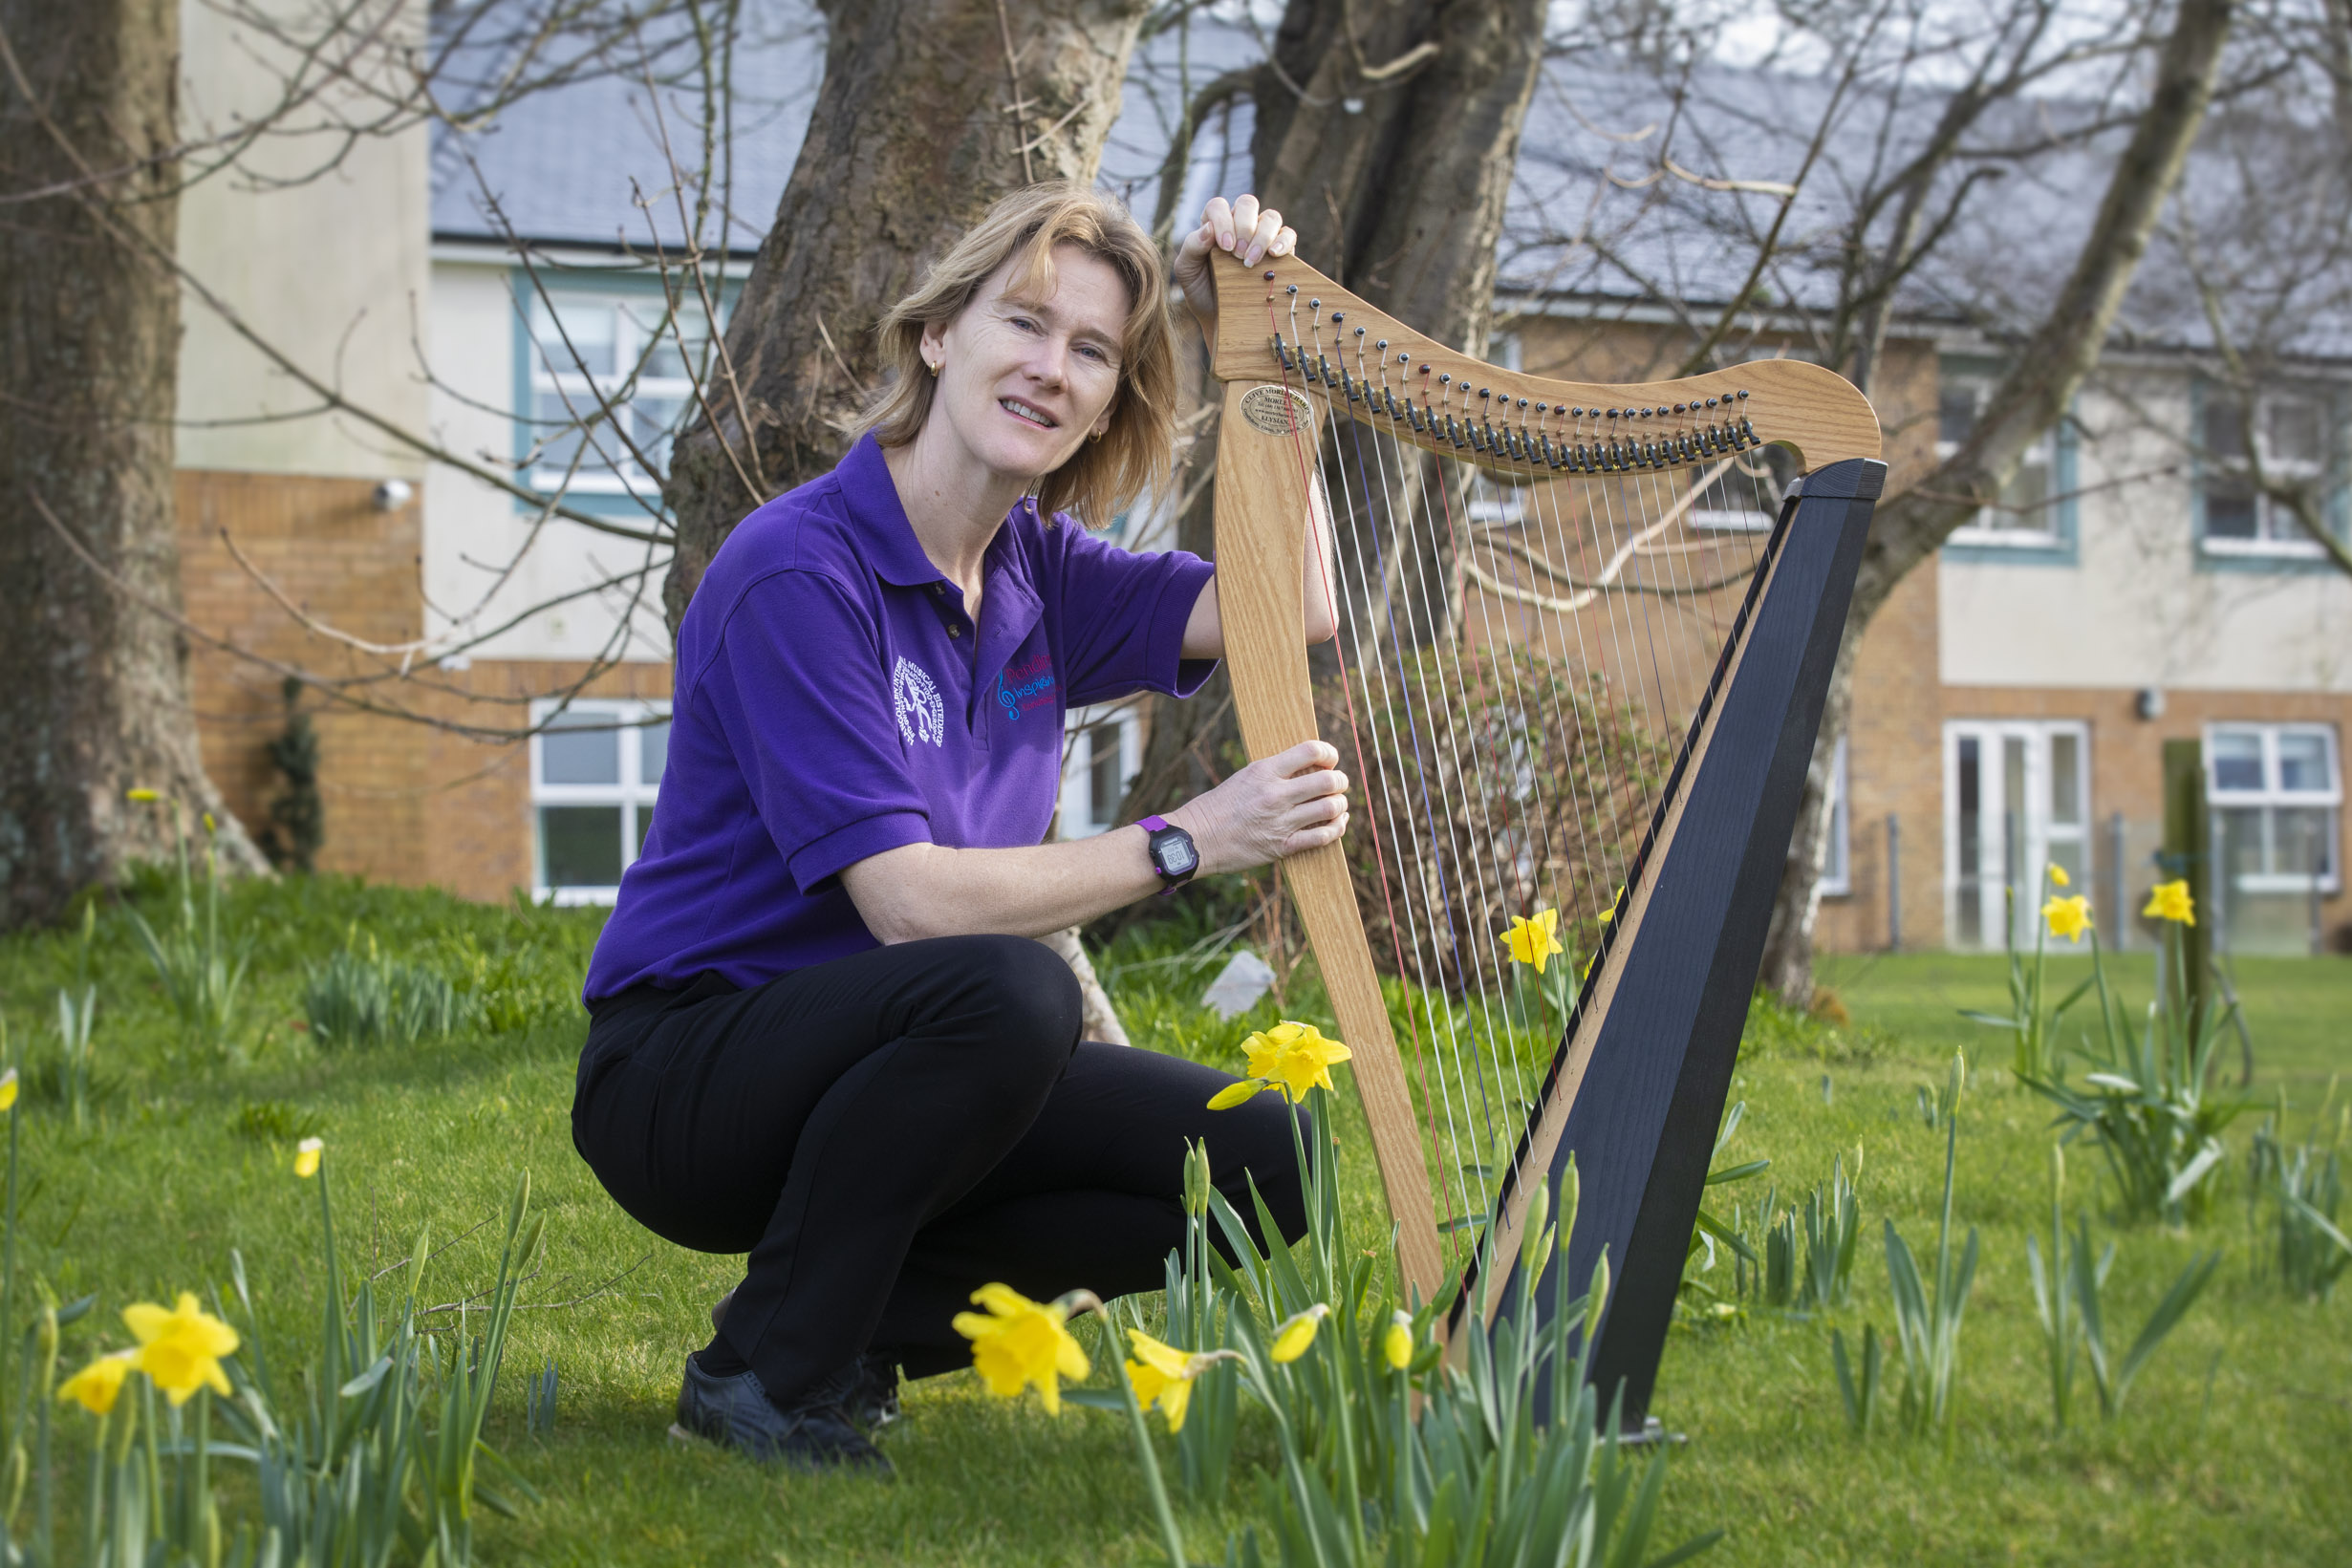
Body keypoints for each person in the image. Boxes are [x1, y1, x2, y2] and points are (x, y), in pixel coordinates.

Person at [571, 185, 1350, 1475]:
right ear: (938, 334)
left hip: (919, 1051)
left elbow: (1296, 607)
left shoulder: (1039, 573)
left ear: (1109, 399)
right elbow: (908, 905)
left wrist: (1254, 346)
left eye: (1091, 351)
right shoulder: (796, 571)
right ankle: (762, 1378)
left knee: (1267, 1156)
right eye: (1025, 323)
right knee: (1008, 988)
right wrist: (1188, 837)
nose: (1050, 368)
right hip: (692, 1069)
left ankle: (835, 1327)